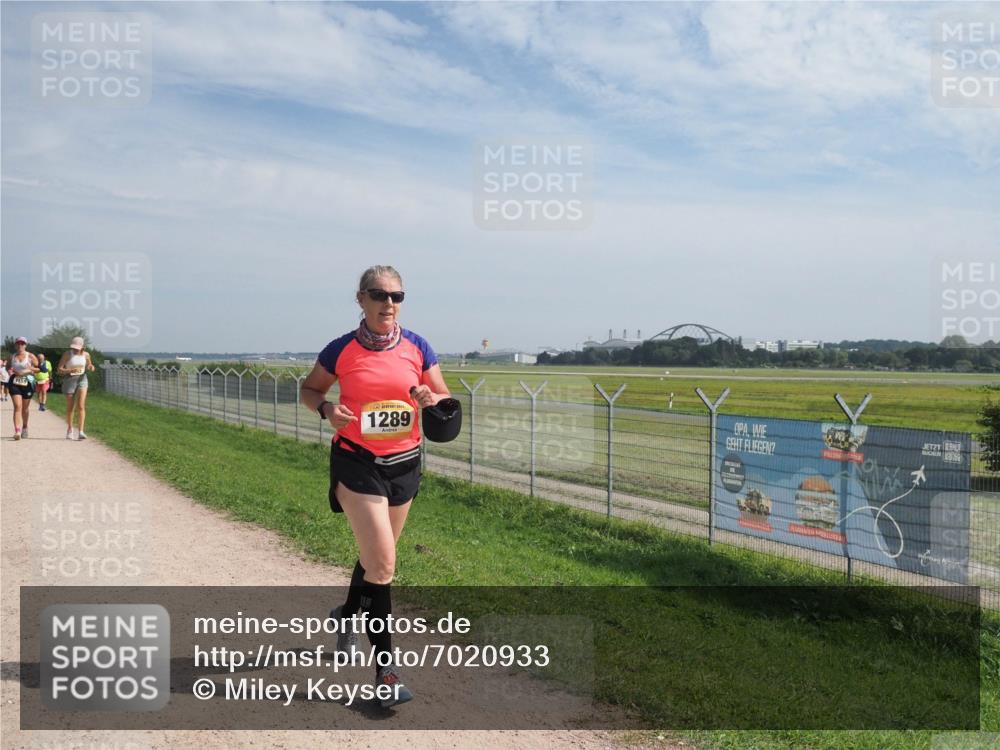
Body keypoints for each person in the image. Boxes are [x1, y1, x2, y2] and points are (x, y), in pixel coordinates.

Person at [300, 265, 449, 709]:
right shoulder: (341, 349)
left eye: (398, 296)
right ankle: (386, 673)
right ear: (360, 299)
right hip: (356, 462)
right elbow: (309, 390)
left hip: (404, 465)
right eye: (380, 295)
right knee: (384, 563)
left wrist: (430, 398)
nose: (390, 303)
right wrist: (327, 410)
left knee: (374, 561)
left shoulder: (418, 346)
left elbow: (443, 396)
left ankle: (348, 615)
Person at [57, 336, 96, 440]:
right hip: (69, 380)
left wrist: (91, 367)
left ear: (82, 347)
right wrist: (70, 370)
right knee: (71, 406)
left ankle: (81, 431)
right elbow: (59, 369)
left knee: (81, 405)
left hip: (82, 379)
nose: (75, 349)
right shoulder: (67, 354)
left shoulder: (86, 355)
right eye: (73, 347)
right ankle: (70, 429)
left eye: (77, 348)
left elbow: (89, 364)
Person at [8, 337, 39, 440]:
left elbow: (39, 369)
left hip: (28, 383)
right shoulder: (12, 357)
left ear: (25, 345)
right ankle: (17, 431)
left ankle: (25, 426)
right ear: (16, 345)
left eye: (22, 344)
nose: (20, 345)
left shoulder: (30, 356)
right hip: (14, 383)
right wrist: (10, 371)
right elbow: (8, 367)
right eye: (18, 343)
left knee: (25, 409)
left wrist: (29, 370)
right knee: (17, 406)